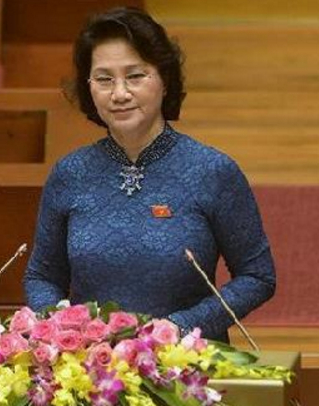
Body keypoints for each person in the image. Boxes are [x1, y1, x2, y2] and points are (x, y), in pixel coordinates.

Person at [24, 7, 275, 342]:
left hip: (186, 362)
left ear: (164, 80)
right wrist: (62, 327)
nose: (119, 93)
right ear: (89, 88)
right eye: (104, 79)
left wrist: (181, 327)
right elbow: (42, 277)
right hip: (91, 365)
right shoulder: (70, 173)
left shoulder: (212, 171)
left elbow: (257, 276)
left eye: (135, 76)